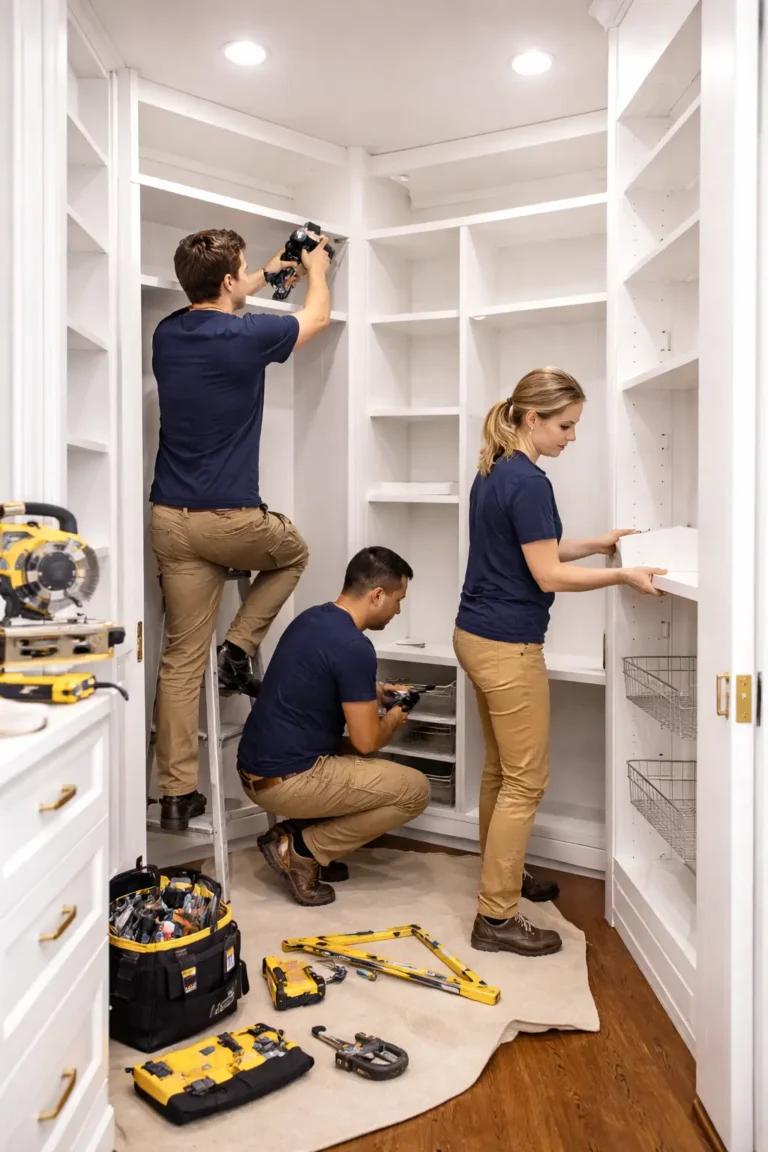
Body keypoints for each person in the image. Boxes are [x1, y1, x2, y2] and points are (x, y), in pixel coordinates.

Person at [454, 367, 666, 958]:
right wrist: (622, 573)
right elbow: (547, 574)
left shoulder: (495, 470)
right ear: (531, 419)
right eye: (565, 426)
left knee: (502, 771)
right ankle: (495, 916)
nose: (572, 437)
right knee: (527, 778)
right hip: (507, 646)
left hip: (473, 634)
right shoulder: (528, 482)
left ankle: (504, 874)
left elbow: (537, 550)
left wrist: (597, 544)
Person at [150, 227, 332, 831]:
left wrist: (274, 268)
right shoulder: (249, 334)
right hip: (229, 519)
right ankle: (239, 649)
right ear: (227, 282)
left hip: (170, 521)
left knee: (180, 659)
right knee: (294, 551)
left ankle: (176, 795)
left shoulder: (169, 333)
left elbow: (229, 293)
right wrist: (319, 268)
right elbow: (317, 318)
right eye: (245, 271)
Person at [236, 547, 431, 907]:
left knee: (364, 769)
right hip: (288, 780)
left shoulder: (314, 619)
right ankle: (303, 849)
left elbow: (323, 675)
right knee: (415, 790)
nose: (398, 610)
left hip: (257, 767)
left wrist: (377, 692)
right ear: (377, 595)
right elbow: (366, 741)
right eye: (398, 600)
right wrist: (394, 716)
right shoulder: (355, 647)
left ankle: (289, 832)